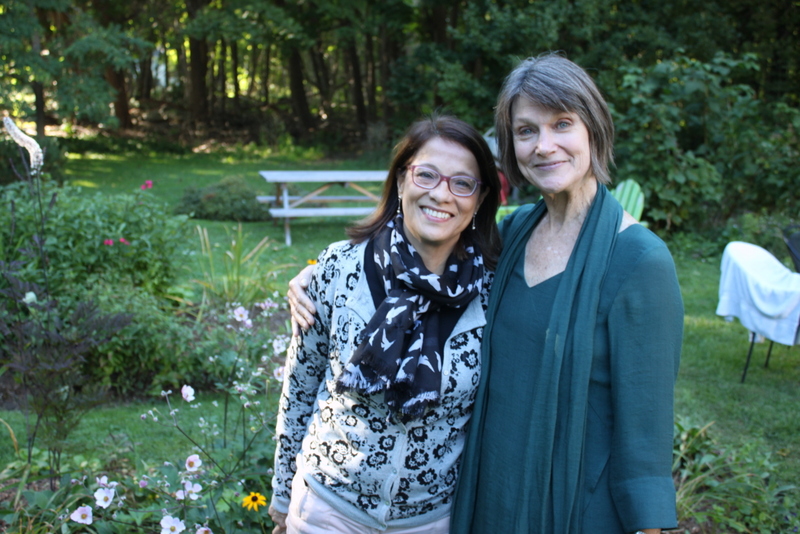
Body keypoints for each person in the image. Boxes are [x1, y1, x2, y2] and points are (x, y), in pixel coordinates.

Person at [287, 53, 684, 534]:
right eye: (526, 130)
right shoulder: (509, 237)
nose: (544, 145)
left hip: (575, 506)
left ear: (594, 129)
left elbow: (647, 431)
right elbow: (427, 248)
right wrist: (315, 273)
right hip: (487, 492)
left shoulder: (639, 260)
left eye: (562, 124)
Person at [269, 115, 502, 534]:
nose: (441, 194)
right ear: (400, 181)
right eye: (426, 175)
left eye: (462, 183)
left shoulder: (494, 291)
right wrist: (283, 497)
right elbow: (300, 385)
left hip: (432, 521)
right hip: (327, 511)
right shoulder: (339, 268)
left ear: (480, 200)